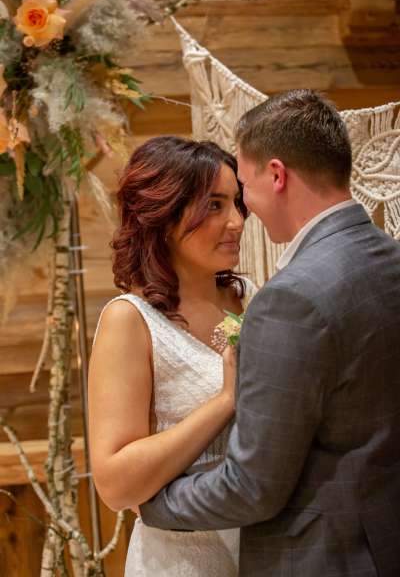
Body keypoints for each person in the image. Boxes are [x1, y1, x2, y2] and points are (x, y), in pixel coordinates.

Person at [139, 90, 400, 577]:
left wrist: (155, 506)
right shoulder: (390, 260)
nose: (243, 214)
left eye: (243, 188)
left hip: (321, 556)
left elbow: (253, 486)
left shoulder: (289, 298)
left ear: (276, 175)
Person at [88, 136, 257, 576]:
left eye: (237, 203)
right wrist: (225, 401)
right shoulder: (130, 321)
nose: (237, 221)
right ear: (164, 216)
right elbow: (115, 485)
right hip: (181, 561)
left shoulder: (252, 300)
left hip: (266, 552)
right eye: (215, 205)